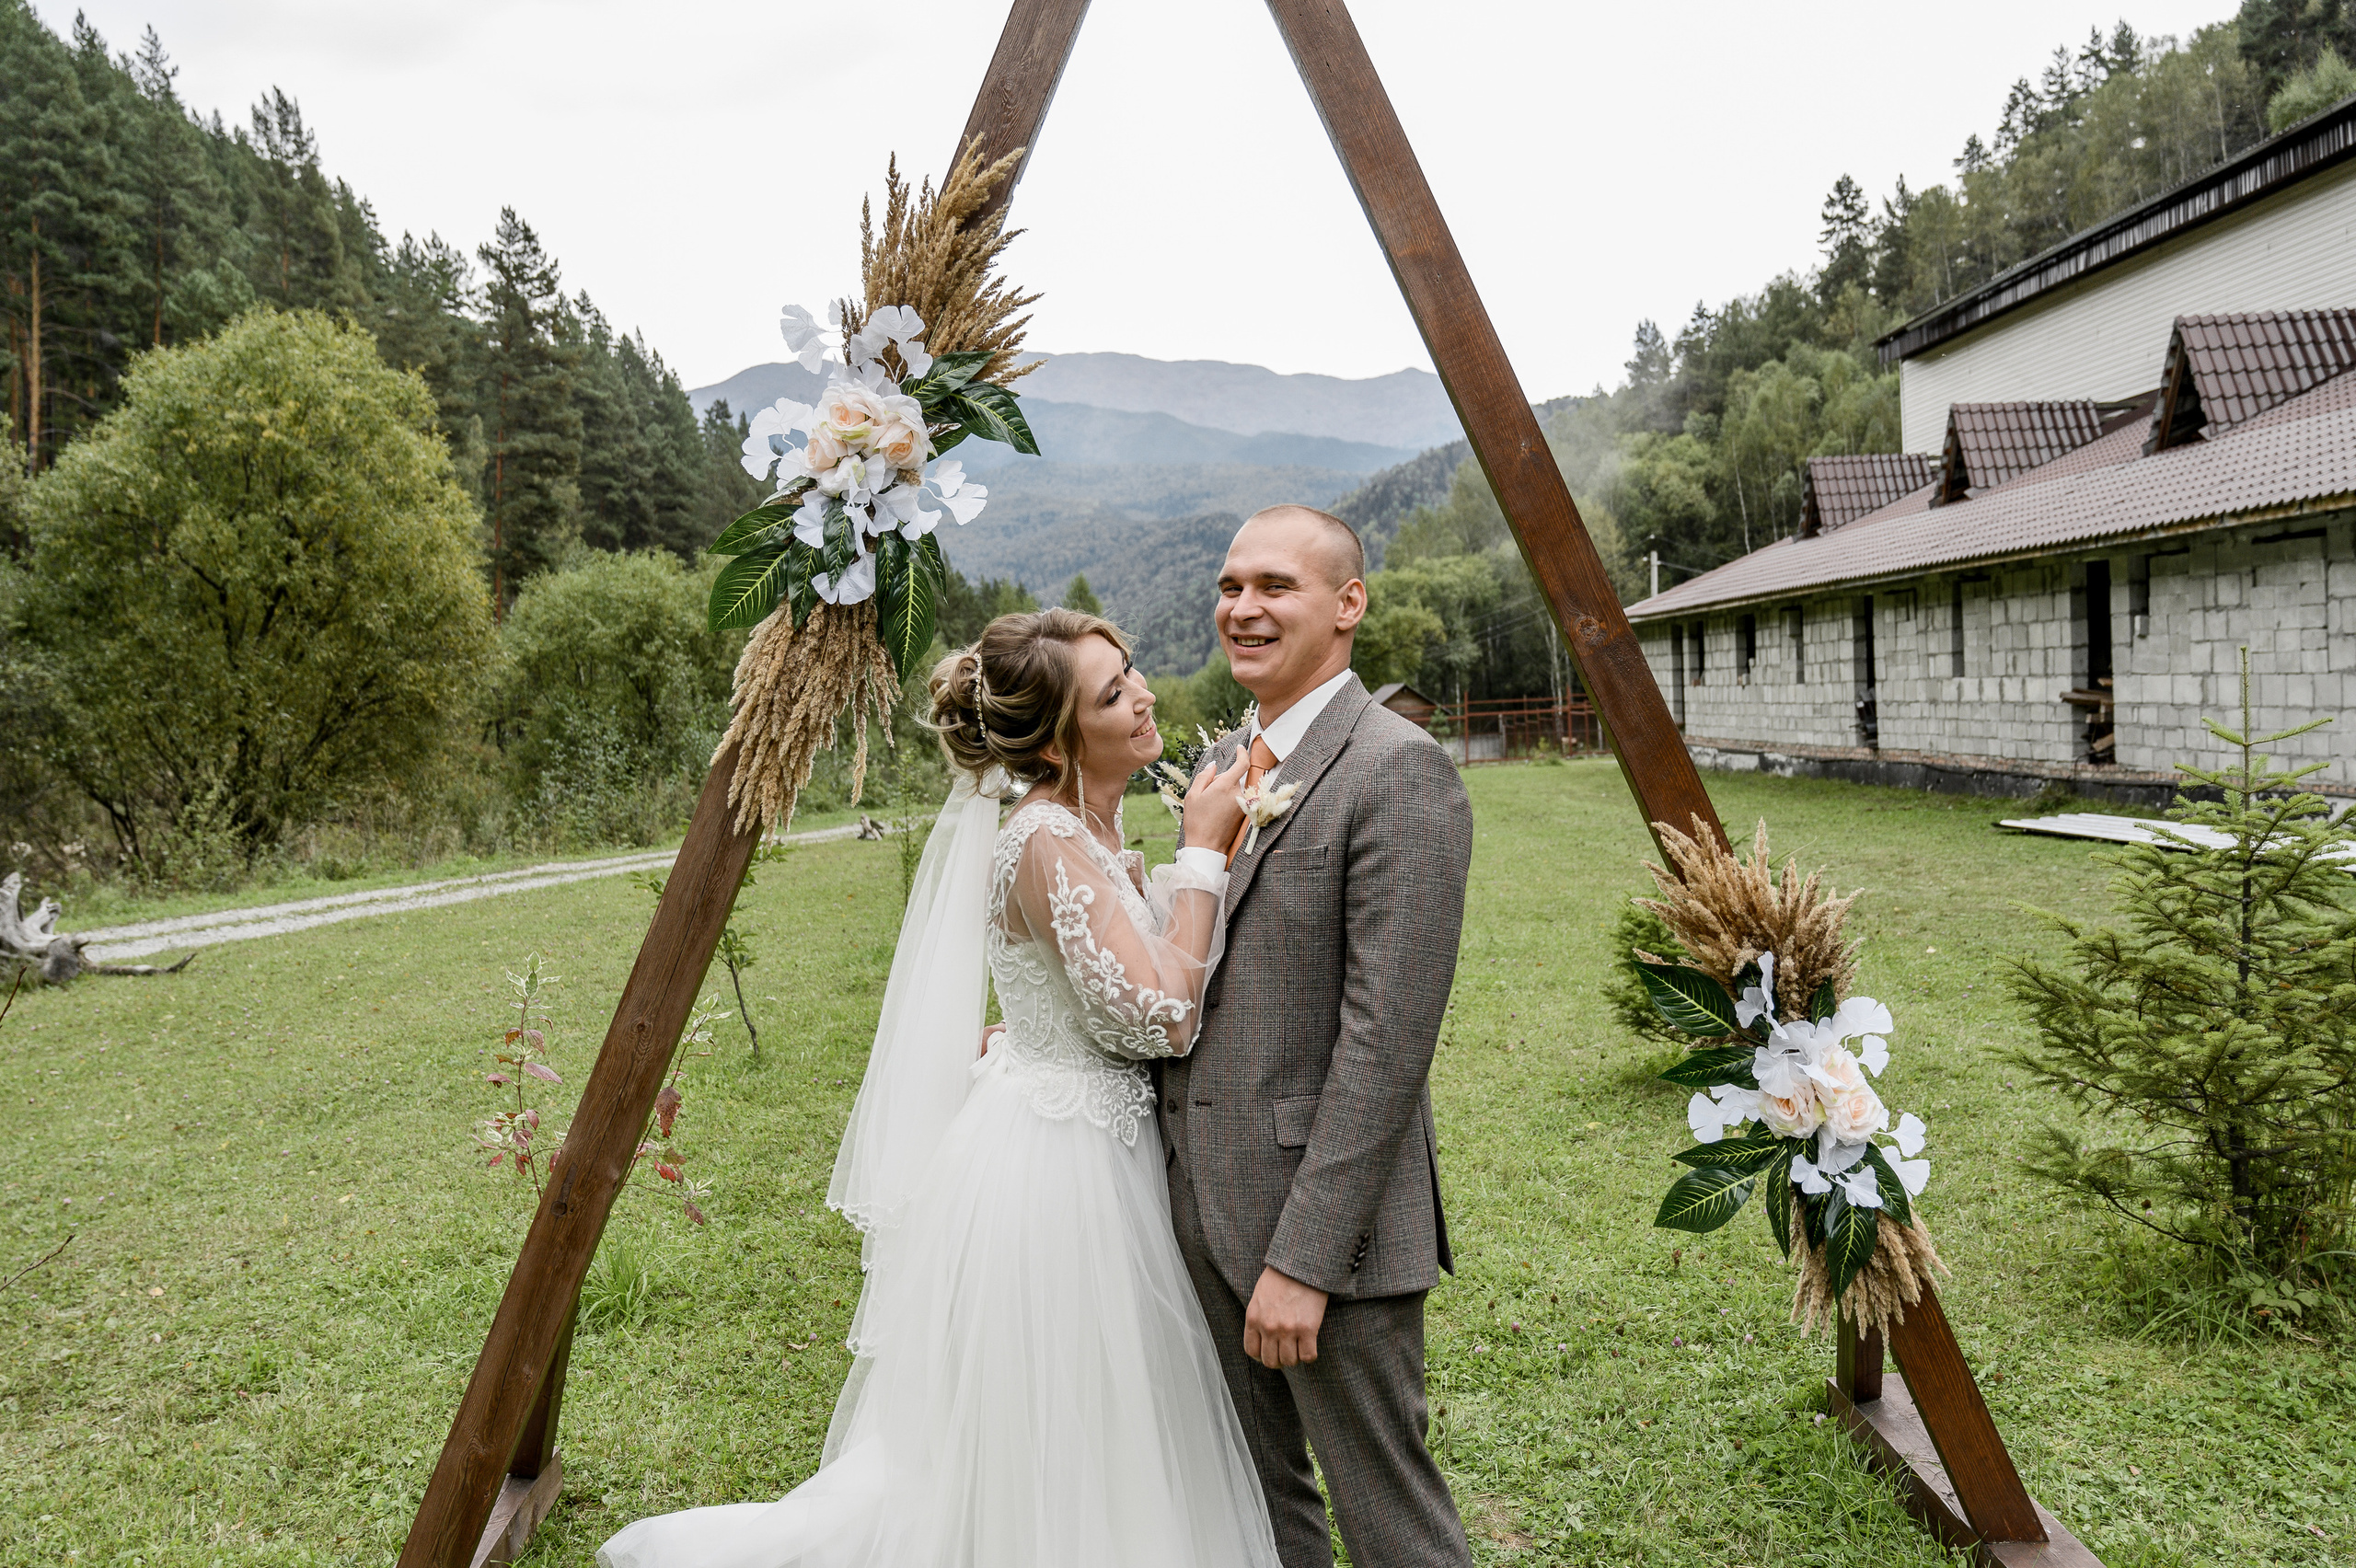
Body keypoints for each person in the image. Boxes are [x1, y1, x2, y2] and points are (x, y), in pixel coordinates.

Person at [597, 608, 1279, 1568]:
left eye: (1131, 674)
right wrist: (1206, 851)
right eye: (1115, 691)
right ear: (1054, 738)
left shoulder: (1083, 826)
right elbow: (1160, 1017)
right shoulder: (1044, 842)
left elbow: (1102, 972)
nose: (1145, 696)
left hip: (1085, 1139)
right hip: (1062, 1180)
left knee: (1101, 1422)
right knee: (1065, 1422)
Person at [1160, 504, 1476, 1568]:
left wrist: (1305, 1262)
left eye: (1274, 587)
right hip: (1199, 1203)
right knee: (1258, 1513)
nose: (1242, 609)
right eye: (1230, 585)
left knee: (1390, 1523)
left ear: (1347, 605)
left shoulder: (1398, 768)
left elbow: (1390, 1041)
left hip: (1323, 1236)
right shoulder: (1220, 765)